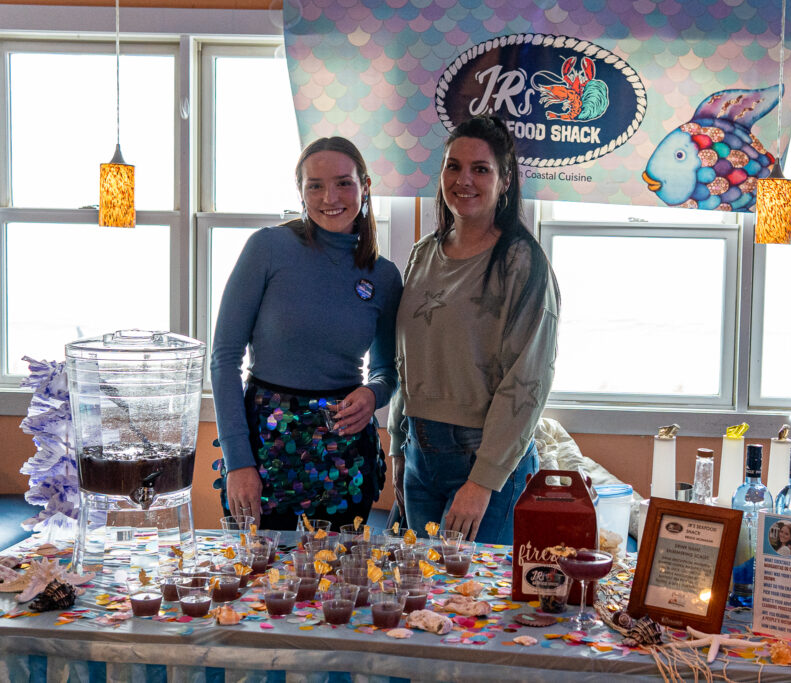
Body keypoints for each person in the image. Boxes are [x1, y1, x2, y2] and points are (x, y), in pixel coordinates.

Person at [211, 136, 402, 531]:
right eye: (315, 185)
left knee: (339, 587)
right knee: (257, 582)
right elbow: (224, 359)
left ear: (365, 186)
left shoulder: (383, 275)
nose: (329, 196)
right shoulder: (267, 248)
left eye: (343, 182)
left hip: (345, 453)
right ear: (300, 191)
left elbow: (386, 370)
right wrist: (238, 461)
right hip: (265, 446)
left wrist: (372, 393)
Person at [389, 114, 560, 545]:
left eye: (480, 169)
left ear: (505, 181)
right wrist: (397, 444)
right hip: (418, 453)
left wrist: (483, 481)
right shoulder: (422, 254)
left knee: (471, 602)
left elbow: (528, 381)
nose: (464, 180)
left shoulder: (522, 263)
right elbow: (406, 357)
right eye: (453, 166)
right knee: (423, 597)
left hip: (482, 458)